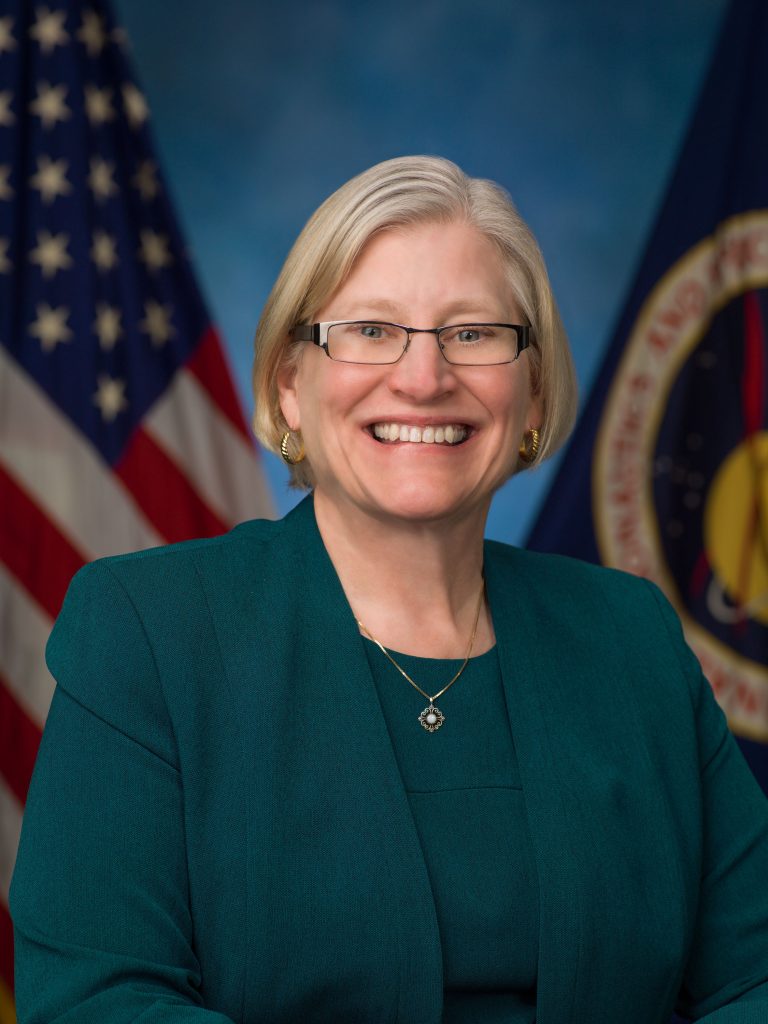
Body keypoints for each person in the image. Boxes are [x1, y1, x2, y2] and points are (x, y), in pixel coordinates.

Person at [10, 155, 768, 1024]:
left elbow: (756, 976)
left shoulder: (629, 637)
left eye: (473, 332)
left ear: (531, 393)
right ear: (291, 386)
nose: (423, 376)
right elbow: (98, 1001)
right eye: (370, 330)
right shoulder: (149, 630)